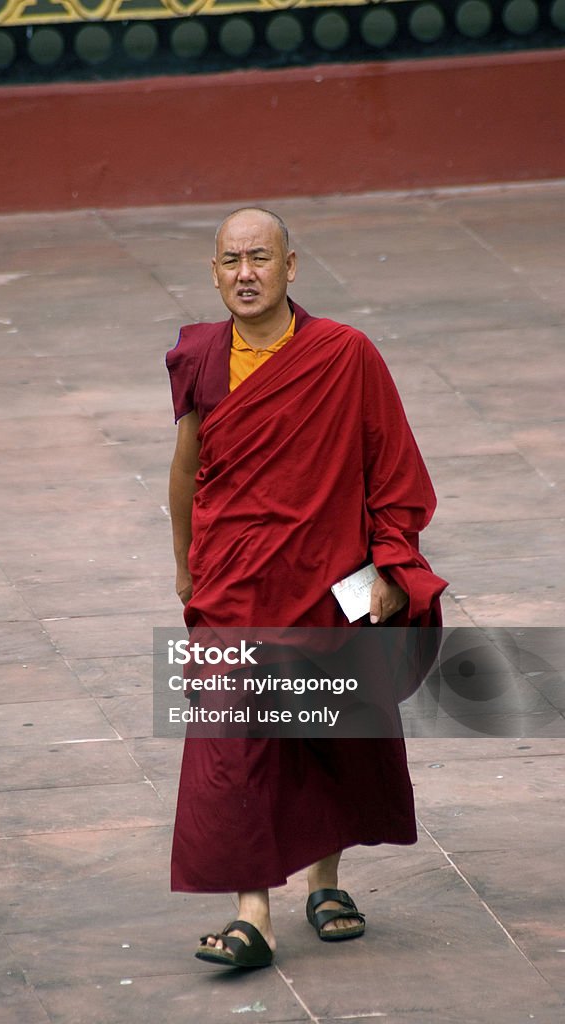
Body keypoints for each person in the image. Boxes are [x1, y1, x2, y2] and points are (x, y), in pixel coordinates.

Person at [165, 207, 447, 969]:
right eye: (231, 261)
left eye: (261, 258)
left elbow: (393, 471)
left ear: (293, 268)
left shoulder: (345, 355)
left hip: (331, 577)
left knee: (330, 732)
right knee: (231, 741)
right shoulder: (201, 357)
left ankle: (326, 882)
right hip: (234, 583)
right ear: (214, 272)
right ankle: (251, 912)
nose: (245, 273)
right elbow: (187, 470)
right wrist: (188, 566)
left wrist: (391, 567)